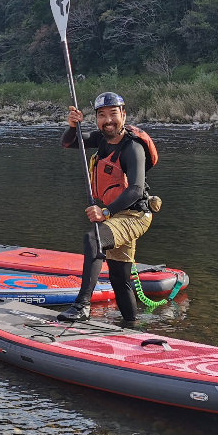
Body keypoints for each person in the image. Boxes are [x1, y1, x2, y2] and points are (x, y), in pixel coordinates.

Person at [57, 91, 161, 324]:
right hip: (117, 216)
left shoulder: (133, 148)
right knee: (119, 278)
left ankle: (82, 306)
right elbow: (68, 142)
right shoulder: (100, 139)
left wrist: (105, 212)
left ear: (123, 115)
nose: (108, 121)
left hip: (135, 215)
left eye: (113, 114)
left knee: (93, 239)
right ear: (96, 119)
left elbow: (134, 188)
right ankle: (131, 325)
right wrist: (73, 126)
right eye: (102, 115)